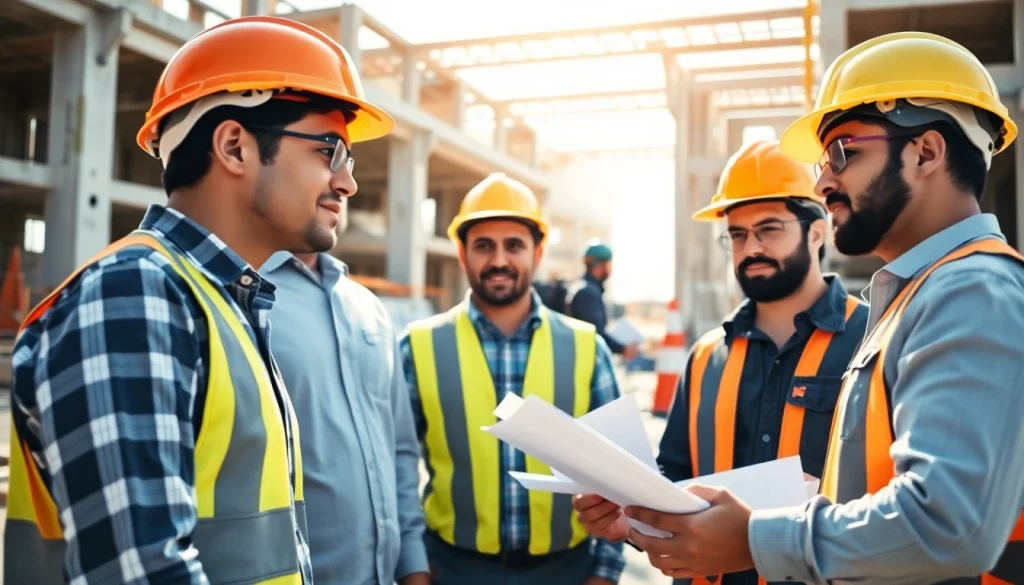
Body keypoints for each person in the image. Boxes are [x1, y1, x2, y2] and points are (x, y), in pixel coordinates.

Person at [573, 31, 1024, 585]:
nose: (823, 181)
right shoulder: (913, 300)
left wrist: (753, 539)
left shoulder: (970, 291)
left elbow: (947, 524)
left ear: (926, 151)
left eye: (841, 151)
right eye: (737, 235)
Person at [5, 15, 393, 585]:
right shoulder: (133, 296)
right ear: (235, 146)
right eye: (329, 151)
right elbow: (142, 573)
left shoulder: (222, 302)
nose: (347, 183)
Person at [627, 139, 866, 585]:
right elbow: (674, 475)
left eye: (769, 229)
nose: (751, 247)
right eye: (737, 235)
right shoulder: (705, 357)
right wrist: (630, 515)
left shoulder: (872, 339)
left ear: (816, 232)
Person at [398, 173, 626, 585]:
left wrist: (605, 573)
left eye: (514, 245)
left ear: (537, 254)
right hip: (452, 570)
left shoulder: (587, 348)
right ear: (462, 254)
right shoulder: (417, 346)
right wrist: (413, 567)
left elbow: (623, 473)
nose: (499, 260)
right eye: (484, 245)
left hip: (567, 572)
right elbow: (395, 468)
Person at [259, 245, 430, 585]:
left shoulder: (369, 307)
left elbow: (399, 448)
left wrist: (413, 565)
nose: (346, 188)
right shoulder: (244, 297)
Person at [566, 242, 639, 360]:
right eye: (609, 264)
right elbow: (595, 334)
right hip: (584, 360)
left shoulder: (583, 288)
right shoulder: (588, 293)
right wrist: (622, 348)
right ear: (599, 265)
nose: (610, 269)